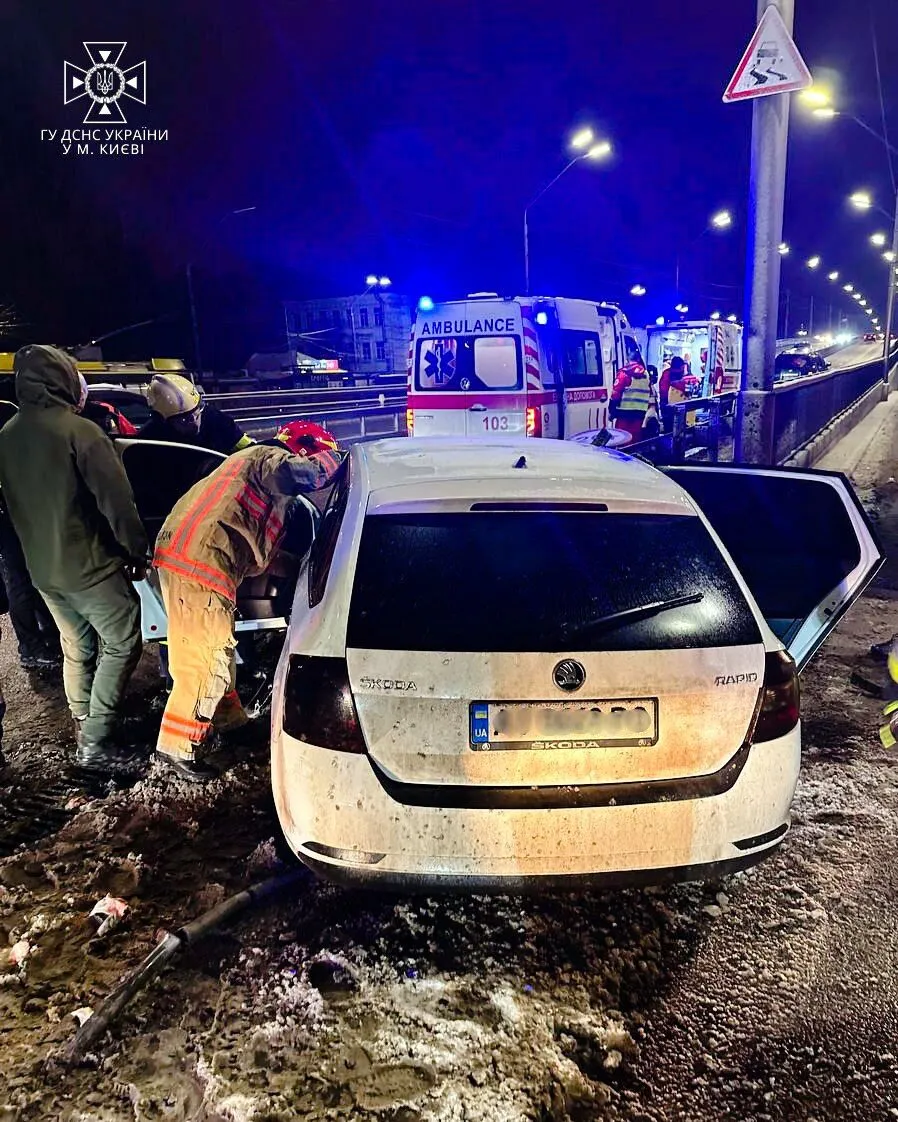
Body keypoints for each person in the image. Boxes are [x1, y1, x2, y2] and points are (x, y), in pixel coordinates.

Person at [152, 420, 342, 782]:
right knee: (208, 661)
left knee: (212, 650)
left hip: (189, 555)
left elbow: (261, 553)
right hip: (202, 563)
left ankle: (231, 723)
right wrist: (339, 460)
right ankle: (176, 746)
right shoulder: (269, 458)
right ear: (302, 448)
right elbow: (307, 474)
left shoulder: (248, 468)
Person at [0, 345, 149, 772]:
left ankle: (86, 722)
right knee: (122, 640)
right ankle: (97, 743)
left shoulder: (7, 433)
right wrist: (137, 550)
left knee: (77, 645)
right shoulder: (80, 432)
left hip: (41, 568)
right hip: (89, 564)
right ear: (62, 378)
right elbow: (117, 503)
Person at [139, 373, 254, 455]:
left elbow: (244, 445)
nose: (194, 421)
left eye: (197, 411)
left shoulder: (214, 418)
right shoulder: (150, 441)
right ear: (164, 422)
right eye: (184, 420)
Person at [609, 347, 652, 442]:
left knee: (622, 437)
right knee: (635, 436)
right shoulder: (646, 373)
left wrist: (611, 409)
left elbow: (616, 392)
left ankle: (623, 455)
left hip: (624, 411)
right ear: (638, 360)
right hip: (640, 410)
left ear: (628, 360)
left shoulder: (624, 373)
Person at [659, 356, 699, 433]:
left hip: (669, 406)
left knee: (671, 430)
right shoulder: (673, 376)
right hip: (672, 407)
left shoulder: (667, 374)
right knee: (675, 431)